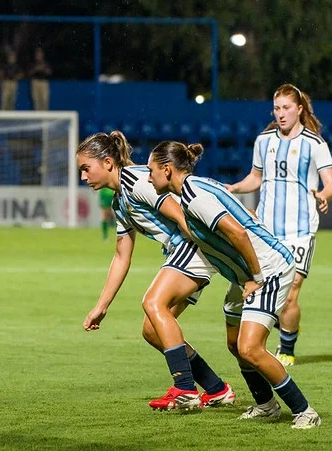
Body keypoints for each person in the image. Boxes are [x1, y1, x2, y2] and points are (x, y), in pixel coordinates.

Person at [147, 140, 321, 429]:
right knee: (234, 343)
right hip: (245, 275)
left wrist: (254, 277)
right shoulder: (195, 189)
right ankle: (266, 406)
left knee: (250, 347)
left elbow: (238, 233)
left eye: (152, 170)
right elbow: (246, 218)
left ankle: (305, 411)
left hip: (268, 269)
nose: (149, 177)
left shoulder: (194, 197)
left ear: (167, 170)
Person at [78, 132, 235, 411]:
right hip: (186, 252)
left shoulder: (138, 181)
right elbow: (121, 256)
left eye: (85, 168)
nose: (83, 176)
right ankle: (216, 388)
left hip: (191, 246)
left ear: (108, 162)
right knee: (153, 331)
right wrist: (101, 306)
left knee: (152, 302)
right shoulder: (120, 201)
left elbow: (182, 215)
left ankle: (185, 389)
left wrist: (216, 252)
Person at [227, 84, 332, 367]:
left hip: (300, 231)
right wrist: (234, 188)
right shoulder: (264, 140)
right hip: (266, 230)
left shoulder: (315, 144)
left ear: (299, 109)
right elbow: (255, 178)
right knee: (259, 286)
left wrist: (324, 195)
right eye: (277, 108)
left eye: (287, 108)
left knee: (290, 293)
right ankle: (257, 341)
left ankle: (286, 348)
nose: (281, 114)